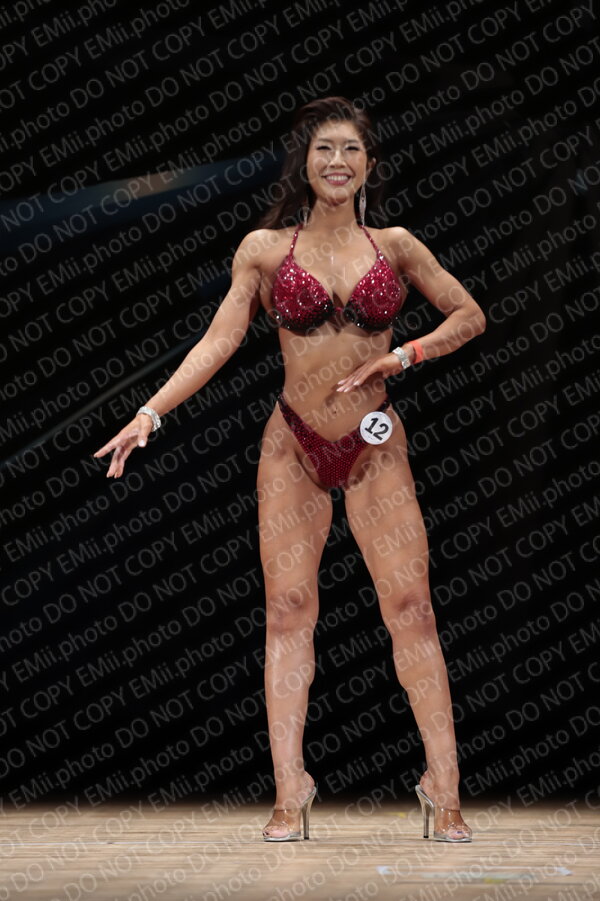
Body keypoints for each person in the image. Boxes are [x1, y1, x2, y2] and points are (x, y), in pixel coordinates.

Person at [93, 96, 486, 843]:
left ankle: (444, 786)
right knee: (288, 611)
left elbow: (469, 314)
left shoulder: (396, 245)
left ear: (368, 164)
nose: (337, 161)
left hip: (373, 443)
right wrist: (150, 413)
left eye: (351, 149)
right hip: (293, 446)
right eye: (324, 149)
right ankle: (289, 788)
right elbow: (218, 341)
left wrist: (404, 355)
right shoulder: (265, 249)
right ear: (304, 164)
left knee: (412, 609)